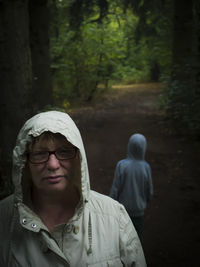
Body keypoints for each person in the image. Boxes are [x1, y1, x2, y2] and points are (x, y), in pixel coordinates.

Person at [0, 111, 147, 267]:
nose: (52, 165)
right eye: (39, 153)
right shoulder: (4, 220)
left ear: (79, 158)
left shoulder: (115, 218)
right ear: (25, 161)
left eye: (64, 151)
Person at [109, 133, 153, 240]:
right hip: (138, 211)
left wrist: (110, 204)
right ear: (144, 148)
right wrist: (148, 198)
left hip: (122, 210)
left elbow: (115, 188)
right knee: (136, 237)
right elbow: (149, 189)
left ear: (129, 146)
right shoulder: (146, 167)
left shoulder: (122, 165)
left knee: (122, 235)